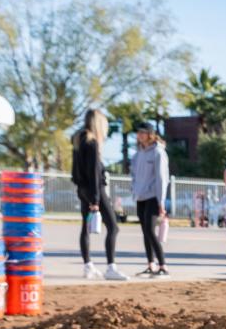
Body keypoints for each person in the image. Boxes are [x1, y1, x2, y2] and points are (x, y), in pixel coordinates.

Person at [71, 109, 126, 280]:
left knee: (86, 228)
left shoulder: (78, 140)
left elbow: (76, 170)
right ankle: (111, 267)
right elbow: (94, 172)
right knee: (113, 227)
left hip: (82, 189)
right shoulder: (92, 142)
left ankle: (88, 265)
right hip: (95, 190)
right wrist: (95, 199)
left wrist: (82, 190)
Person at [130, 123, 170, 276]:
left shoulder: (158, 153)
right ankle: (150, 264)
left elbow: (162, 178)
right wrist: (134, 190)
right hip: (140, 196)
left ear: (151, 134)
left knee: (150, 230)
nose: (139, 135)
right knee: (145, 231)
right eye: (138, 132)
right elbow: (133, 174)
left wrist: (161, 201)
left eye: (143, 132)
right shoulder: (138, 153)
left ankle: (163, 265)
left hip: (153, 196)